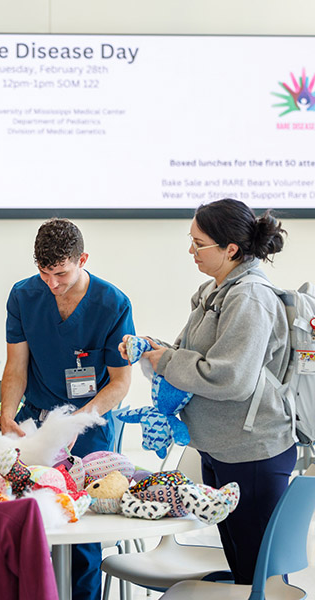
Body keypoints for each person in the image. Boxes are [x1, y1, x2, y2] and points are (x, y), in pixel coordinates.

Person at [120, 198, 294, 585]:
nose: (191, 250)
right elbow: (189, 358)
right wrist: (153, 349)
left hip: (252, 452)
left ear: (231, 249)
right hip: (220, 446)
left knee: (255, 578)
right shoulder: (214, 291)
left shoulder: (249, 297)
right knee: (240, 569)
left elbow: (231, 378)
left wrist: (166, 360)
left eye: (199, 244)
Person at [0, 217, 133, 600]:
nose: (52, 284)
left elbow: (120, 383)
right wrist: (8, 412)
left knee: (81, 533)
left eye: (61, 273)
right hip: (37, 423)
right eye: (44, 274)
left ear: (82, 259)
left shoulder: (112, 304)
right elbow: (16, 368)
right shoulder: (24, 296)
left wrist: (77, 421)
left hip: (90, 425)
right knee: (30, 519)